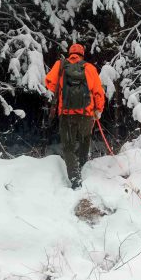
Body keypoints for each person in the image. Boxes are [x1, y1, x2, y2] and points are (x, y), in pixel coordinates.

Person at [45, 43, 105, 189]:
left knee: (68, 147)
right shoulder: (89, 68)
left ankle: (75, 179)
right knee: (85, 140)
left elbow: (49, 84)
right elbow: (98, 92)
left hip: (66, 114)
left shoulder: (60, 65)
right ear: (82, 54)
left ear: (70, 53)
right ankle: (83, 168)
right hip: (86, 114)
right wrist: (98, 110)